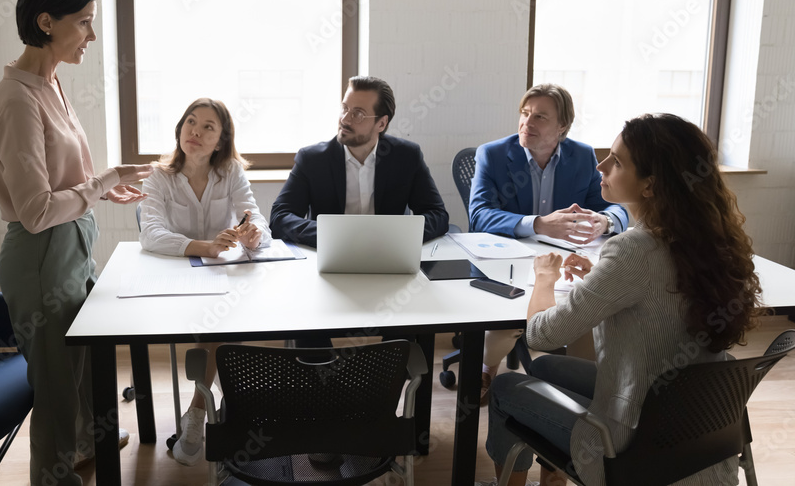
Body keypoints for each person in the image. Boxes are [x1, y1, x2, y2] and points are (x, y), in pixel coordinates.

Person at [482, 113, 763, 486]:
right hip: (696, 433)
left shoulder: (633, 250)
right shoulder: (710, 240)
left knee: (504, 387)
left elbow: (541, 336)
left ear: (649, 185)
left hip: (631, 450)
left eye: (616, 161)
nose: (601, 165)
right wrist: (601, 277)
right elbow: (656, 290)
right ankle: (553, 479)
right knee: (547, 370)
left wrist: (545, 278)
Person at [0, 0, 152, 486]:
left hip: (72, 244)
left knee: (79, 368)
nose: (92, 37)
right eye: (84, 23)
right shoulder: (17, 100)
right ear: (46, 23)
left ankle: (84, 446)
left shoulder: (50, 81)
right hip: (40, 255)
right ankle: (53, 478)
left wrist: (101, 188)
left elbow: (61, 175)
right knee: (55, 389)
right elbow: (34, 211)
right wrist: (103, 181)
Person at [468, 84, 629, 403]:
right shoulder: (494, 154)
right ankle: (487, 366)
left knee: (593, 304)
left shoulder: (582, 155)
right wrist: (539, 224)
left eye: (540, 116)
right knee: (509, 313)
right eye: (525, 114)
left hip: (568, 262)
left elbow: (616, 207)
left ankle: (585, 390)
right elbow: (479, 215)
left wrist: (604, 221)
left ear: (562, 127)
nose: (527, 122)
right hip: (509, 260)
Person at [139, 98, 270, 466]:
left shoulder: (230, 172)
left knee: (223, 317)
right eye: (190, 123)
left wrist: (253, 234)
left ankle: (199, 412)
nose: (195, 132)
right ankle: (234, 416)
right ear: (180, 128)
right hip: (171, 283)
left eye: (207, 127)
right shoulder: (159, 175)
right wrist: (205, 247)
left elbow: (255, 215)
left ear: (221, 139)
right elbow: (150, 234)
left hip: (219, 282)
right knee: (225, 324)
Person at [269, 75, 449, 248]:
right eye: (345, 108)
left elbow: (437, 215)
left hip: (388, 254)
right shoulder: (312, 159)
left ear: (381, 124)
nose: (345, 119)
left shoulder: (406, 156)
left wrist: (396, 236)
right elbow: (280, 217)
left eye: (358, 114)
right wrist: (330, 234)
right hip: (331, 253)